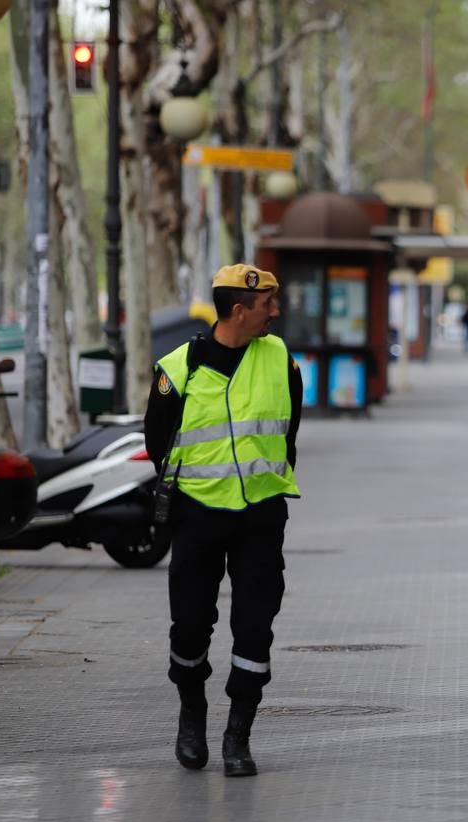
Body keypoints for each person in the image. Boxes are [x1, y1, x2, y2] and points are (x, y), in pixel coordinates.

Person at [144, 263, 302, 775]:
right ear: (240, 310)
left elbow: (290, 430)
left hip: (260, 515)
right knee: (190, 627)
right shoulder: (178, 369)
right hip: (198, 516)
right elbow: (158, 443)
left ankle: (239, 734)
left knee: (255, 628)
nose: (275, 312)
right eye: (267, 305)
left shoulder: (280, 359)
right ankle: (192, 713)